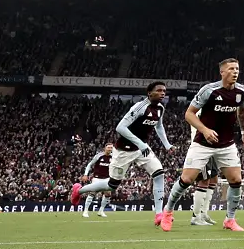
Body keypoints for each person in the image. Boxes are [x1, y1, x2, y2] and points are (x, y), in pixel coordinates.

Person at [159, 58, 244, 232]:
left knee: (236, 180)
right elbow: (189, 114)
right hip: (203, 143)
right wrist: (204, 129)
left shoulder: (242, 91)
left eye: (237, 69)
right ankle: (167, 212)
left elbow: (242, 110)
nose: (235, 72)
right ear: (222, 72)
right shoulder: (209, 91)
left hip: (226, 144)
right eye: (231, 69)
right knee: (187, 179)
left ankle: (230, 220)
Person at [72, 81, 174, 225]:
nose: (163, 93)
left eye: (164, 91)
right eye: (159, 90)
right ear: (149, 93)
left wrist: (167, 145)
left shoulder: (160, 108)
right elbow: (120, 128)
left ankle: (159, 214)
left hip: (142, 149)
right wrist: (140, 143)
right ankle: (79, 190)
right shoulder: (139, 107)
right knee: (111, 185)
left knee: (159, 174)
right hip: (124, 150)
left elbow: (159, 126)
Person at [78, 144, 115, 218]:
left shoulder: (113, 157)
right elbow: (90, 164)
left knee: (108, 194)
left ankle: (101, 211)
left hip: (107, 178)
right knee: (92, 193)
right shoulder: (99, 156)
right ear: (105, 148)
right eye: (108, 147)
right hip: (97, 178)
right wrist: (85, 174)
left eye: (111, 147)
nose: (110, 149)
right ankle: (85, 211)